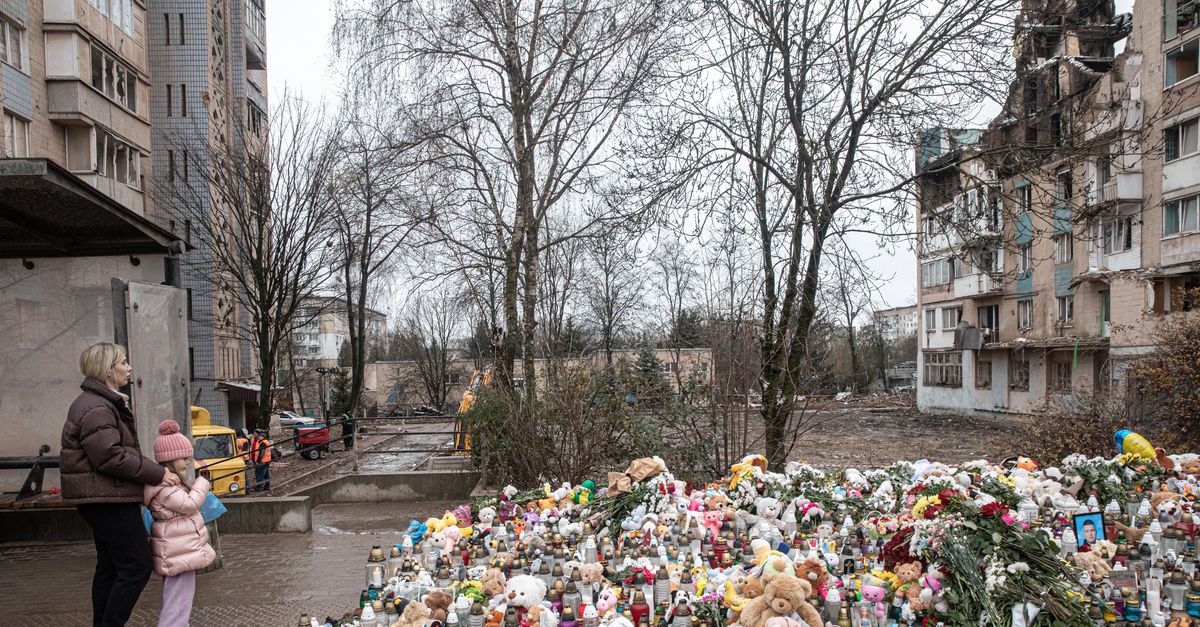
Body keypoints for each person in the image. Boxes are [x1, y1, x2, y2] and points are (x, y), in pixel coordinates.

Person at [61, 342, 181, 627]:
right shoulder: (97, 407)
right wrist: (158, 474)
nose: (129, 368)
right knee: (136, 566)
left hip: (101, 497)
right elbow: (110, 457)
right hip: (108, 499)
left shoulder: (96, 403)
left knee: (111, 568)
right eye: (123, 362)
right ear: (107, 369)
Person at [145, 420, 216, 627]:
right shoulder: (166, 488)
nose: (187, 462)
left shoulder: (164, 485)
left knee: (179, 598)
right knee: (179, 599)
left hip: (179, 549)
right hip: (178, 550)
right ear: (170, 459)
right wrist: (202, 483)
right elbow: (189, 504)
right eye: (184, 458)